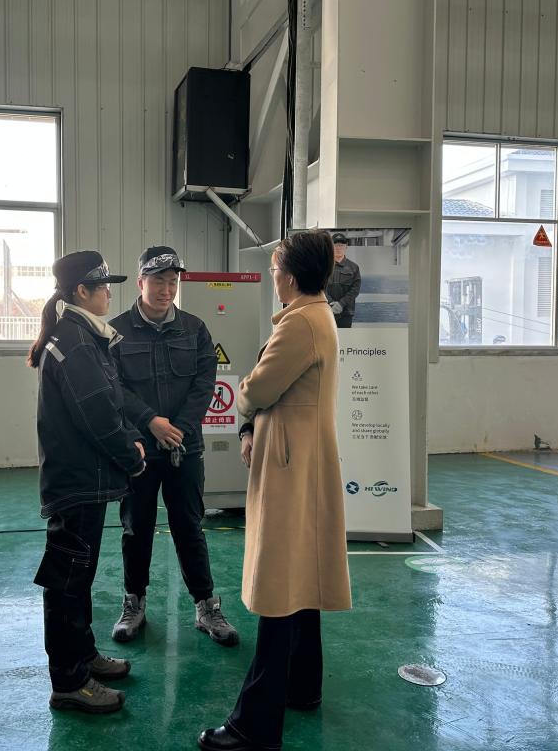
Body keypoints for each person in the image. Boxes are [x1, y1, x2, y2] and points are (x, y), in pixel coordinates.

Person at [198, 229, 351, 751]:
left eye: (275, 264)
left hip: (290, 466)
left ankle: (253, 726)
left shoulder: (299, 324)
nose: (271, 271)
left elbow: (257, 390)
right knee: (300, 577)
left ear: (291, 273)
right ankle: (303, 685)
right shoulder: (315, 316)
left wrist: (245, 398)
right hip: (301, 459)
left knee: (279, 587)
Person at [28, 250, 147, 715]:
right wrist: (131, 456)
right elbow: (97, 413)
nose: (109, 294)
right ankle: (69, 681)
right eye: (103, 287)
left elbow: (110, 400)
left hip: (84, 479)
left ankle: (83, 655)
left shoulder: (81, 335)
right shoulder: (75, 341)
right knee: (67, 582)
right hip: (77, 481)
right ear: (82, 291)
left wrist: (131, 436)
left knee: (79, 578)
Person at [109, 246, 239, 647]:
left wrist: (178, 429)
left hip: (185, 447)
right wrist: (151, 420)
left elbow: (205, 383)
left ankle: (206, 606)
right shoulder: (116, 331)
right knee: (136, 528)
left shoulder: (195, 329)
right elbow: (114, 387)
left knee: (189, 527)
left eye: (173, 282)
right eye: (158, 281)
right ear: (140, 282)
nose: (167, 290)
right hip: (138, 449)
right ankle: (134, 603)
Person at [325, 234, 361, 328]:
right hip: (327, 311)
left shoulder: (354, 267)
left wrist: (341, 304)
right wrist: (331, 303)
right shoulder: (323, 266)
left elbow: (355, 290)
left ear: (346, 247)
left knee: (346, 337)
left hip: (346, 313)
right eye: (335, 245)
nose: (338, 248)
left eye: (341, 245)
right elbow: (319, 287)